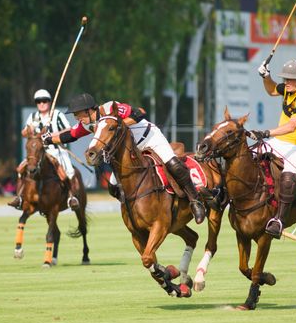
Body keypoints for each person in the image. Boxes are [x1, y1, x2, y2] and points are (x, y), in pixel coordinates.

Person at [42, 93, 206, 224]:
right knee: (113, 186)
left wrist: (118, 126)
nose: (77, 118)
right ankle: (135, 210)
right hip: (132, 152)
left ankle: (195, 201)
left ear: (88, 110)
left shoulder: (109, 109)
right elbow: (70, 135)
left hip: (149, 138)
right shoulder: (87, 124)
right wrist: (48, 138)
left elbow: (139, 112)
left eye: (78, 114)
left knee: (174, 165)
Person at [252, 59, 296, 239]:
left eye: (290, 79)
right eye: (285, 79)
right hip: (280, 141)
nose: (286, 82)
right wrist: (266, 76)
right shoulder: (289, 90)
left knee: (288, 177)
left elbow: (291, 126)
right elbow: (272, 89)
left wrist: (265, 132)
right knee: (251, 156)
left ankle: (279, 220)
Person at [8, 89, 80, 211]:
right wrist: (29, 130)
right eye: (38, 101)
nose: (41, 103)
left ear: (49, 102)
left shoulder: (57, 115)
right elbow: (24, 133)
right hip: (38, 153)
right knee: (21, 169)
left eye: (44, 101)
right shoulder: (33, 117)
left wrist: (53, 135)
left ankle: (71, 197)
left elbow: (69, 130)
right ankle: (19, 198)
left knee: (69, 171)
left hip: (56, 150)